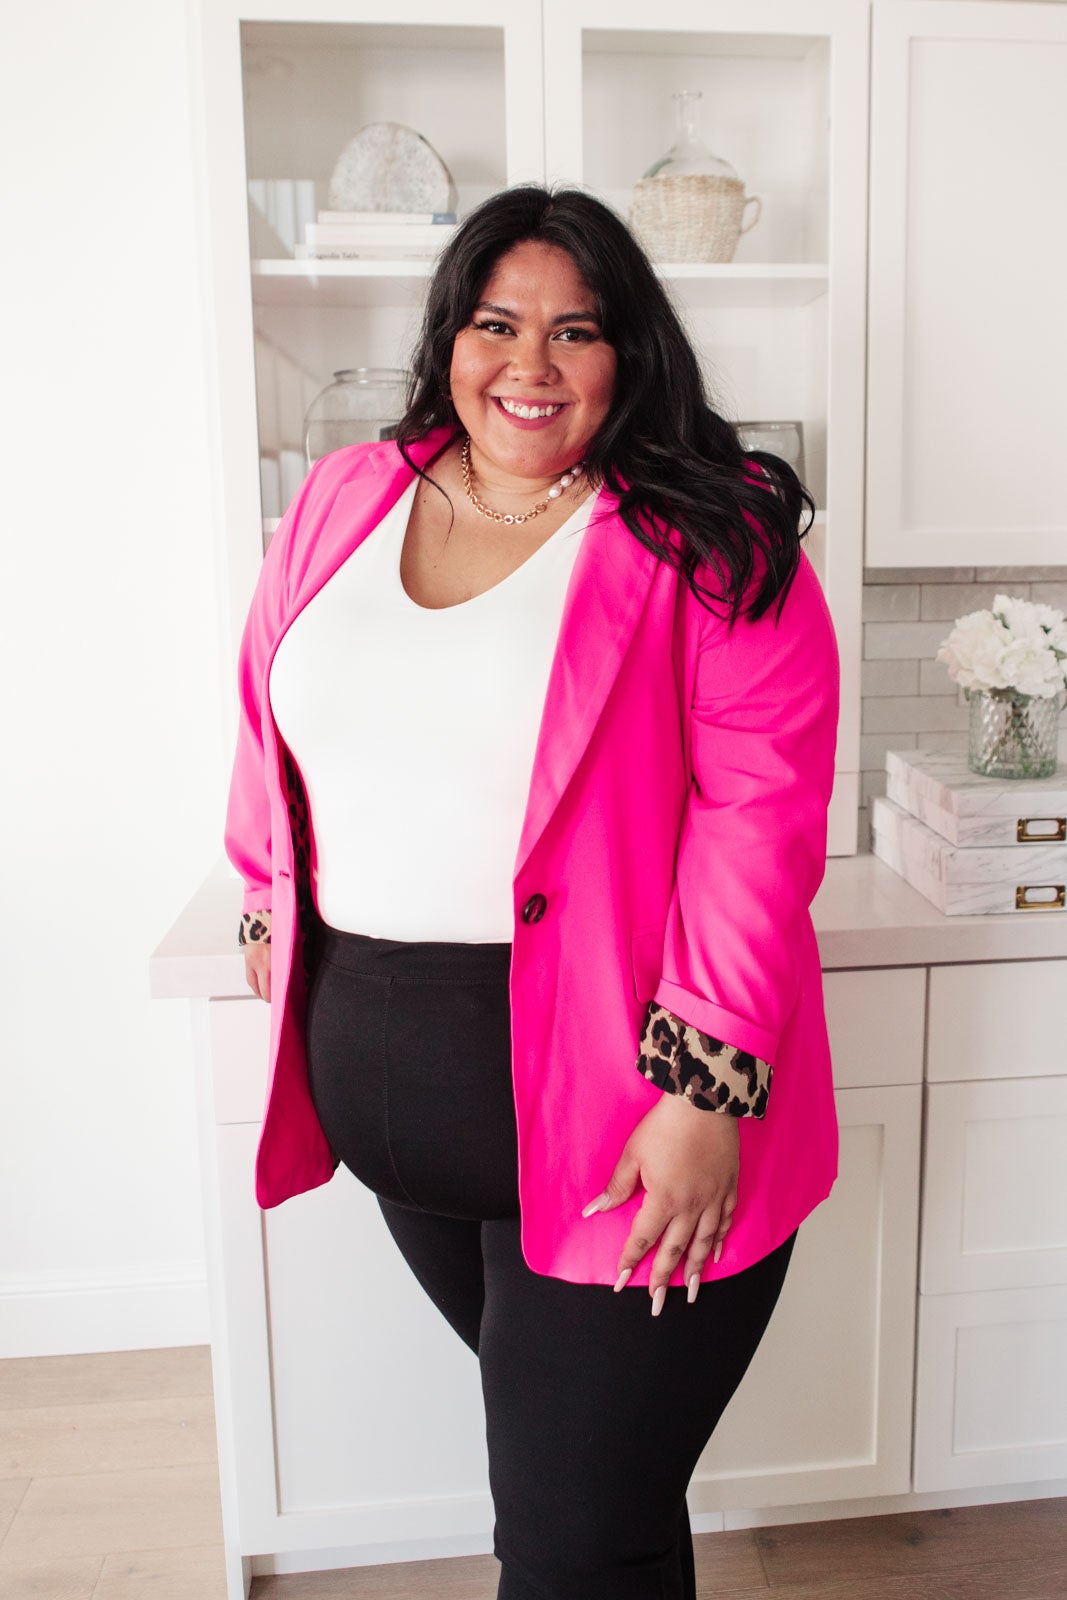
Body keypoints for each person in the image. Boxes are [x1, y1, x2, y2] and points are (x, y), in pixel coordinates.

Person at [224, 184, 840, 1600]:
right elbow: (269, 714)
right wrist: (265, 892)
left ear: (632, 352)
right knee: (604, 1510)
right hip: (399, 1109)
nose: (531, 365)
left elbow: (757, 819)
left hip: (624, 1113)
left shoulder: (711, 532)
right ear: (450, 336)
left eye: (578, 331)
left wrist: (703, 1089)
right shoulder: (347, 495)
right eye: (497, 324)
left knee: (568, 1543)